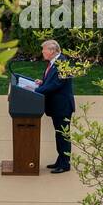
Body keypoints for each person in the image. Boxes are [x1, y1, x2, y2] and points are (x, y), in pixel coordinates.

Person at [33, 39, 75, 173]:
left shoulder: (62, 64)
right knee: (59, 135)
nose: (42, 52)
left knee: (63, 135)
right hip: (57, 107)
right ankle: (60, 160)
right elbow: (51, 81)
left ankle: (65, 164)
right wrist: (42, 83)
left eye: (43, 49)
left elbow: (56, 85)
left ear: (51, 51)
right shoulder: (54, 62)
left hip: (62, 107)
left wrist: (35, 91)